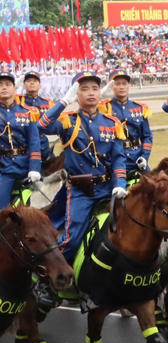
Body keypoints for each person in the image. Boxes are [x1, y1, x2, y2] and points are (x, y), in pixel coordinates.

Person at [38, 72, 127, 252]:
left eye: (95, 88)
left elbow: (119, 158)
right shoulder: (68, 121)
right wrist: (63, 102)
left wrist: (120, 184)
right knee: (72, 241)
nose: (91, 93)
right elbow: (42, 126)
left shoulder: (112, 123)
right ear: (75, 94)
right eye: (84, 89)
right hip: (81, 191)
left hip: (108, 187)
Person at [0, 71, 42, 206]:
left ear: (15, 88)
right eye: (0, 85)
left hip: (26, 166)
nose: (4, 87)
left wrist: (34, 168)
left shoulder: (27, 112)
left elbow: (34, 142)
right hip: (4, 169)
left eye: (8, 84)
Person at [102, 71, 153, 177]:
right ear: (111, 87)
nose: (121, 87)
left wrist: (145, 157)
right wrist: (99, 97)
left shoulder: (139, 108)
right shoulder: (104, 108)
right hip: (114, 160)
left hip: (137, 159)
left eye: (124, 83)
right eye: (117, 84)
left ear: (129, 86)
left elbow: (147, 136)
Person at [17, 72, 54, 168]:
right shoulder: (17, 100)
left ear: (40, 85)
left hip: (42, 142)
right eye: (28, 81)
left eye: (35, 81)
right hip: (23, 142)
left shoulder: (47, 102)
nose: (32, 83)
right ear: (24, 85)